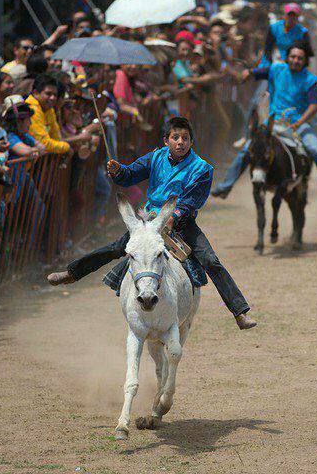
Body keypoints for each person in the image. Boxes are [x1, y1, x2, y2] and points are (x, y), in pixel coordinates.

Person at [46, 116, 257, 330]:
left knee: (211, 261)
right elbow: (129, 175)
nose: (180, 142)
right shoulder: (155, 157)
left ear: (192, 142)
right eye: (175, 137)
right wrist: (118, 171)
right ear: (166, 140)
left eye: (185, 138)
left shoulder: (203, 168)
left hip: (182, 223)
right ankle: (73, 273)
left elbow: (193, 200)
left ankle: (239, 312)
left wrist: (174, 216)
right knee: (116, 248)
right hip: (150, 221)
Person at [213, 44, 317, 204]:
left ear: (305, 61)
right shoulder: (276, 70)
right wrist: (247, 73)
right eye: (293, 57)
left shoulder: (311, 80)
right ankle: (225, 186)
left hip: (298, 125)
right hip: (273, 123)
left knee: (316, 149)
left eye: (300, 58)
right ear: (287, 58)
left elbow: (314, 105)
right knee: (247, 149)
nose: (295, 60)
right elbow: (254, 72)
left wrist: (300, 121)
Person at [25, 74, 71, 154]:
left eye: (55, 95)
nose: (52, 98)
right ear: (35, 93)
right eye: (48, 94)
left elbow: (56, 138)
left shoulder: (49, 109)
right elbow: (44, 143)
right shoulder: (32, 109)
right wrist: (66, 147)